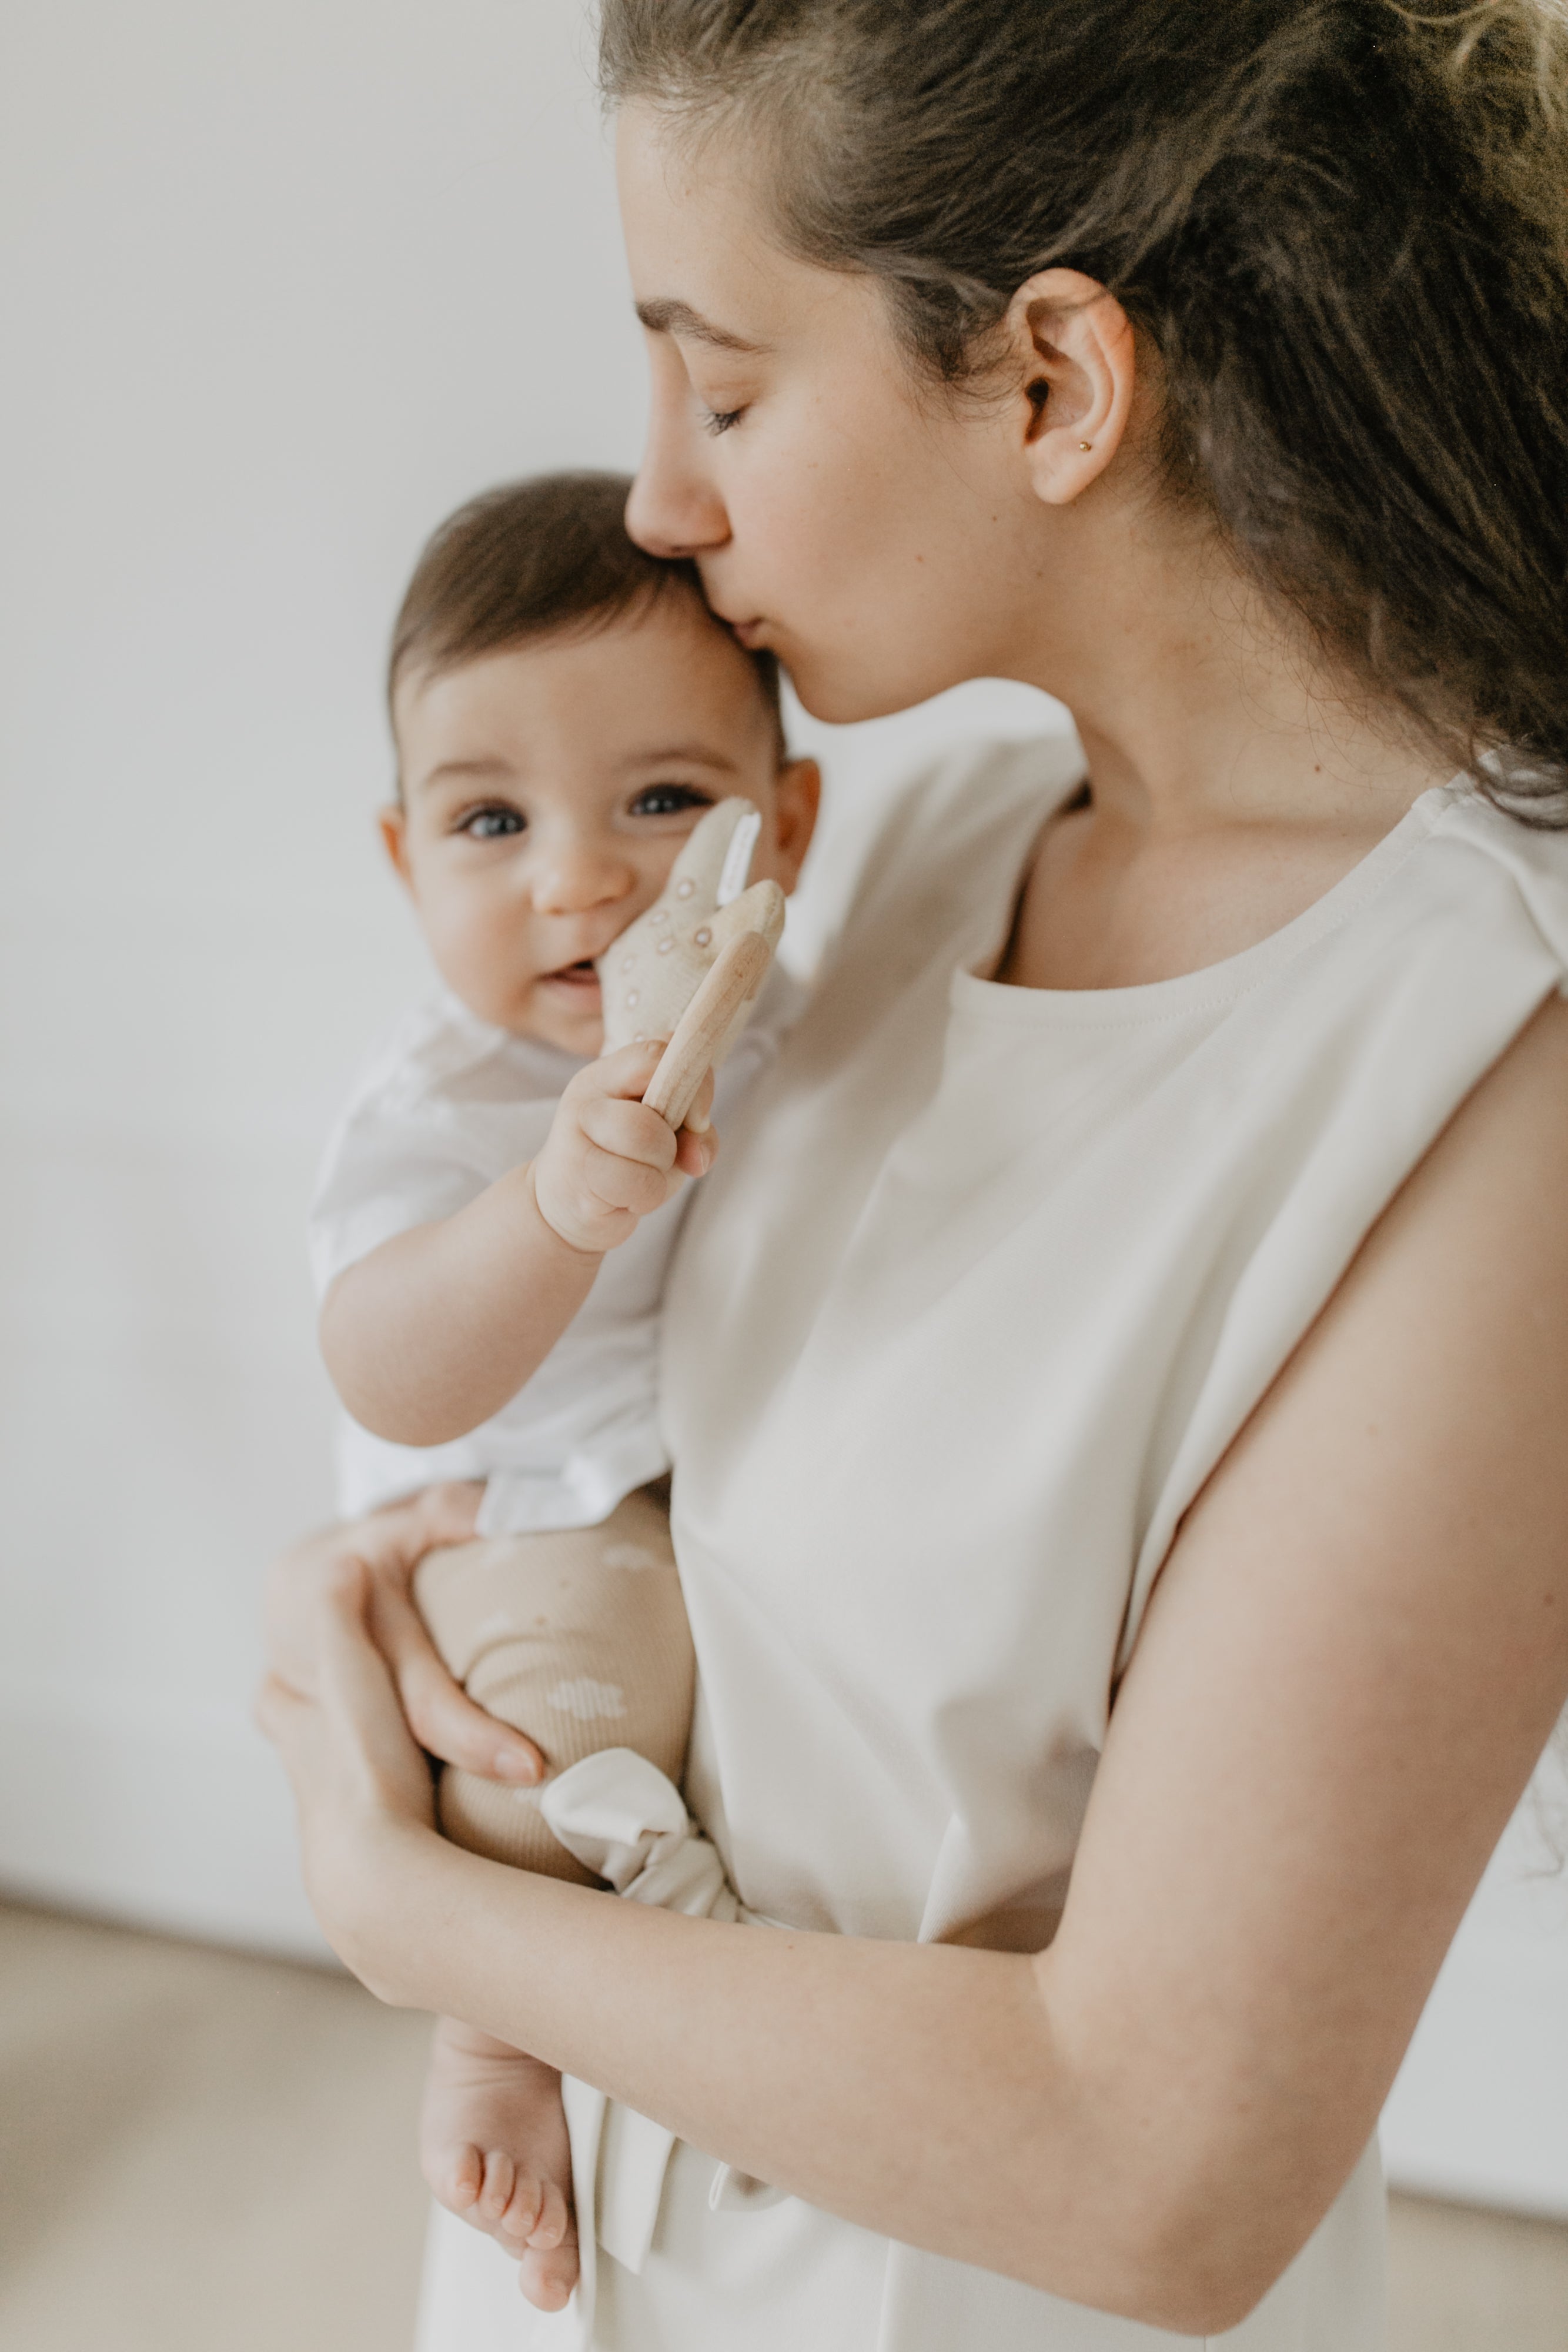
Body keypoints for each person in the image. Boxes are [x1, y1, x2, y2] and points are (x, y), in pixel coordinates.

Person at [259, 3, 1568, 2346]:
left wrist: (408, 1904)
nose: (661, 497)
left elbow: (1159, 2170)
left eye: (726, 385)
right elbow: (686, 1492)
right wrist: (376, 1604)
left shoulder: (1493, 1064)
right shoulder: (904, 857)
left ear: (1053, 379)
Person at [308, 469, 817, 2310]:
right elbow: (394, 1370)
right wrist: (549, 1209)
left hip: (717, 1483)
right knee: (537, 1739)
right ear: (403, 862)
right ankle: (497, 2043)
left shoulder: (786, 1025)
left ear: (787, 827)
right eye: (490, 817)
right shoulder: (440, 1111)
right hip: (520, 1504)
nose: (579, 877)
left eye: (664, 802)